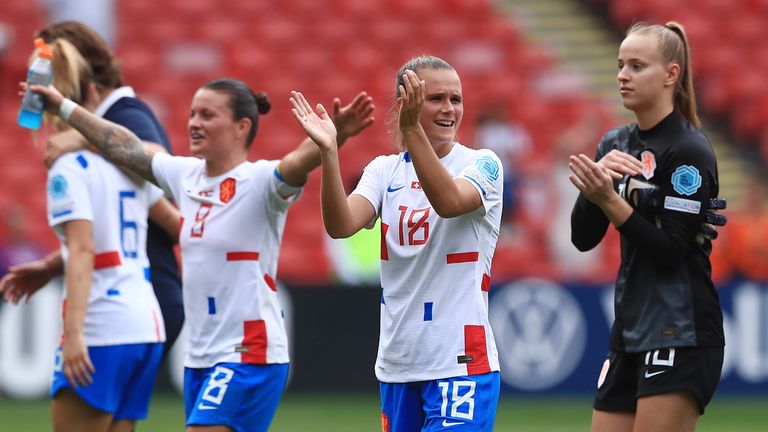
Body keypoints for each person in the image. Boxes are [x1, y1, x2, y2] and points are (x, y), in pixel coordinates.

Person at [27, 77, 374, 431]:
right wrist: (64, 107)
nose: (194, 123)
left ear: (242, 127)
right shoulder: (184, 175)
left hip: (248, 352)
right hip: (200, 357)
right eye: (193, 114)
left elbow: (299, 160)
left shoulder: (260, 182)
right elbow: (122, 146)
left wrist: (336, 136)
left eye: (208, 115)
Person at [291, 55, 501, 431]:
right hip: (399, 361)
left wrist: (413, 131)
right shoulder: (384, 170)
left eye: (456, 99)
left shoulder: (483, 164)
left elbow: (450, 202)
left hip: (461, 360)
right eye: (435, 98)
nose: (449, 109)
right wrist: (329, 152)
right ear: (407, 103)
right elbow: (340, 225)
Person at [6, 38, 179, 432]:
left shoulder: (68, 166)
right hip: (145, 324)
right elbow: (177, 225)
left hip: (103, 323)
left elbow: (84, 250)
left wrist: (73, 335)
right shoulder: (126, 160)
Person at [569, 22, 725, 432]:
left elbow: (671, 251)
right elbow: (582, 240)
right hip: (630, 330)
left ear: (671, 75)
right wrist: (592, 189)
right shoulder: (614, 143)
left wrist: (610, 199)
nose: (623, 75)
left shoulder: (688, 150)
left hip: (681, 329)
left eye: (637, 66)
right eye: (621, 65)